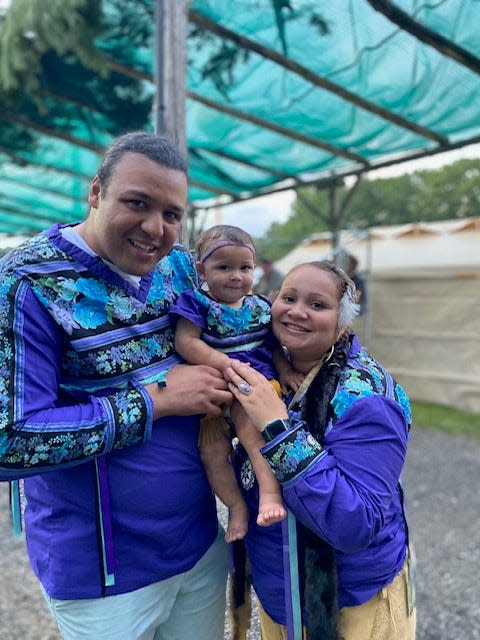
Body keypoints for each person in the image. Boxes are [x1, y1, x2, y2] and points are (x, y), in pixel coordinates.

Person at [0, 131, 232, 640]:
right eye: (137, 203)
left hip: (198, 548)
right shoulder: (28, 282)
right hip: (105, 579)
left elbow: (224, 331)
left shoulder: (175, 267)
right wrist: (158, 401)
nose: (156, 228)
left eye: (172, 214)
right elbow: (10, 441)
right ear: (96, 192)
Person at [226, 260, 416, 640]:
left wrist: (277, 427)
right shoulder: (265, 369)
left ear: (343, 321)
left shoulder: (366, 397)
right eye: (289, 297)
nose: (297, 311)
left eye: (317, 305)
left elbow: (357, 521)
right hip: (278, 594)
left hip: (352, 605)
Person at [171, 224, 303, 543]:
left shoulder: (260, 306)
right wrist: (224, 363)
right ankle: (236, 506)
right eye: (224, 267)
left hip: (253, 388)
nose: (236, 276)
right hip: (216, 391)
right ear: (202, 270)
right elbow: (185, 342)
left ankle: (270, 494)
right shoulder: (197, 304)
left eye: (245, 268)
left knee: (250, 433)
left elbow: (273, 347)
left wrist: (285, 372)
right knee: (212, 453)